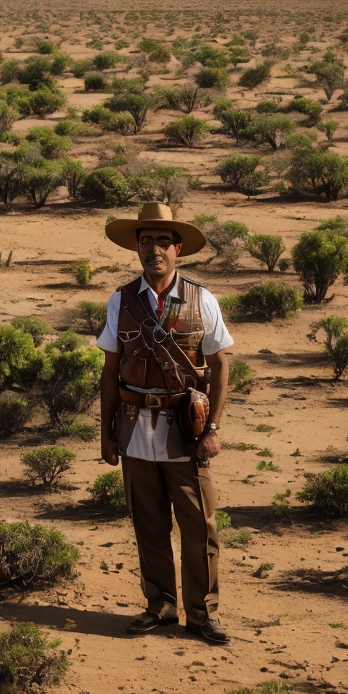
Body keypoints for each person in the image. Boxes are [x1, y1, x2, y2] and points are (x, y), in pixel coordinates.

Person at [96, 202, 234, 645]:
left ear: (178, 248)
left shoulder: (202, 299)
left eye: (161, 241)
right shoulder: (121, 300)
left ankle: (201, 614)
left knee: (200, 529)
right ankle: (160, 606)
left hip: (185, 431)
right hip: (135, 429)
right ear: (136, 248)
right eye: (145, 241)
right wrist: (106, 433)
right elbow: (109, 371)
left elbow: (220, 367)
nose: (153, 249)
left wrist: (212, 429)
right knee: (149, 528)